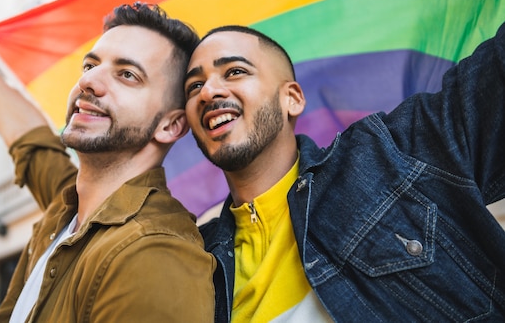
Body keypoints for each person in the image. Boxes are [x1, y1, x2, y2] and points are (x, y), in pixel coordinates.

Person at [183, 23, 505, 322]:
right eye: (194, 86)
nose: (208, 92)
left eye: (235, 71)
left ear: (292, 99)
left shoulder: (388, 156)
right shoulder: (193, 263)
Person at [0, 2, 216, 322]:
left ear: (170, 125)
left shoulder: (154, 252)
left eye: (127, 75)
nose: (87, 83)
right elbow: (31, 141)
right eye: (90, 66)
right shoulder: (68, 209)